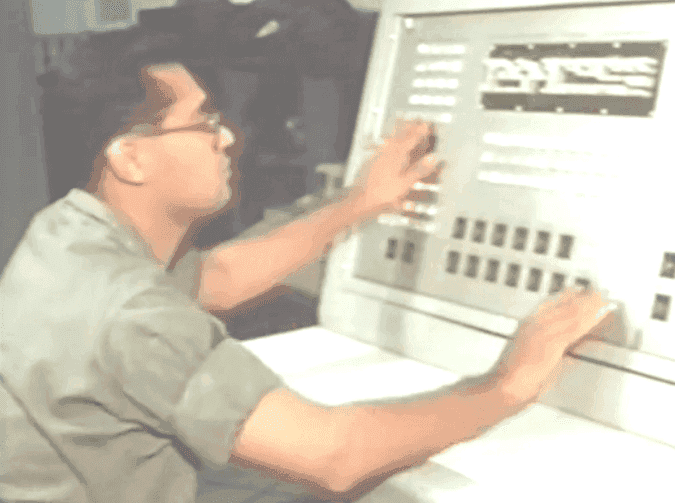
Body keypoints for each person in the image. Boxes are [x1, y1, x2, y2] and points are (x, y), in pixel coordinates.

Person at [0, 63, 613, 503]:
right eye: (203, 122)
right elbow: (336, 457)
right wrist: (508, 383)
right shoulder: (130, 311)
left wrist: (360, 203)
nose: (228, 138)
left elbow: (216, 276)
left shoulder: (65, 236)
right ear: (130, 158)